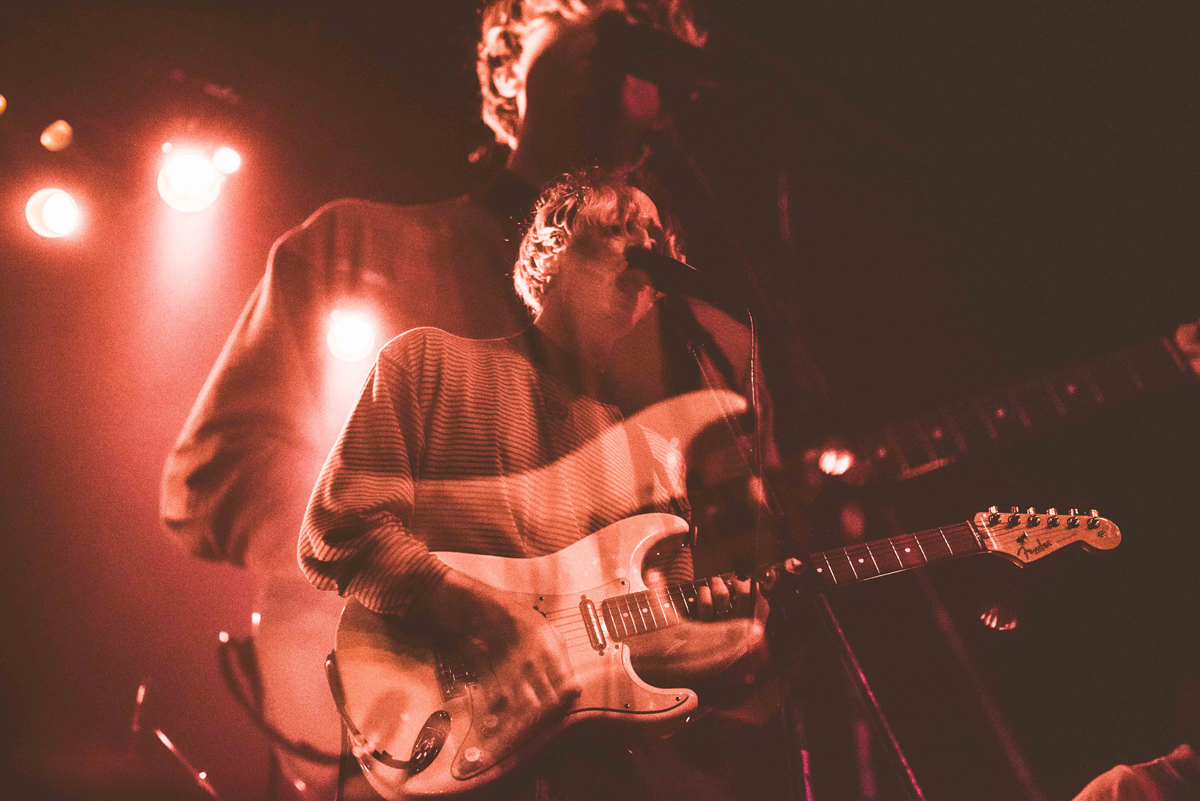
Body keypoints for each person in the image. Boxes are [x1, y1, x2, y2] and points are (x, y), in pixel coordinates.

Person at [161, 1, 777, 795]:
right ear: (507, 66)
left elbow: (744, 575)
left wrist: (735, 629)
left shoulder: (713, 340)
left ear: (669, 97)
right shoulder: (353, 248)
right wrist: (441, 589)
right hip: (416, 732)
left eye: (642, 30)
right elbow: (211, 476)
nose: (615, 32)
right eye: (583, 9)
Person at [301, 174, 767, 800]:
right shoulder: (427, 363)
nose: (643, 246)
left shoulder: (657, 457)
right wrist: (489, 615)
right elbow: (338, 530)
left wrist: (721, 639)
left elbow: (656, 660)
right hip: (428, 734)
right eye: (619, 227)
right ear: (552, 248)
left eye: (655, 238)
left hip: (585, 777)